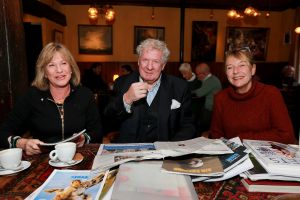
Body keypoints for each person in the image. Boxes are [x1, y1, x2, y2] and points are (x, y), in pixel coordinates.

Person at [0, 42, 103, 155]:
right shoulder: (31, 96)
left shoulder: (85, 94)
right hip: (43, 161)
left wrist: (84, 138)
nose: (59, 70)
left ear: (71, 68)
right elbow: (3, 132)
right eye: (51, 65)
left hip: (78, 157)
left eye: (64, 63)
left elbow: (97, 131)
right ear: (44, 72)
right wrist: (23, 143)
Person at [104, 38, 196, 143]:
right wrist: (126, 99)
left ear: (163, 65)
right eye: (145, 60)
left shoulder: (180, 86)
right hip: (130, 153)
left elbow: (188, 125)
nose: (149, 67)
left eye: (155, 61)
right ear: (138, 62)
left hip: (165, 153)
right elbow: (108, 120)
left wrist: (172, 148)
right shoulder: (121, 83)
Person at [210, 47, 295, 144]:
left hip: (266, 156)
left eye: (242, 65)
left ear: (253, 69)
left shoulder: (271, 93)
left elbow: (286, 135)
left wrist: (242, 139)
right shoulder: (220, 98)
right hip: (233, 155)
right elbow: (216, 136)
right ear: (226, 73)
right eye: (229, 67)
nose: (235, 71)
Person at [191, 63, 222, 134]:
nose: (197, 76)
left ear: (204, 73)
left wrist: (185, 91)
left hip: (211, 110)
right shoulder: (209, 79)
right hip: (209, 108)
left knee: (200, 128)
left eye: (198, 74)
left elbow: (199, 93)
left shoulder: (211, 81)